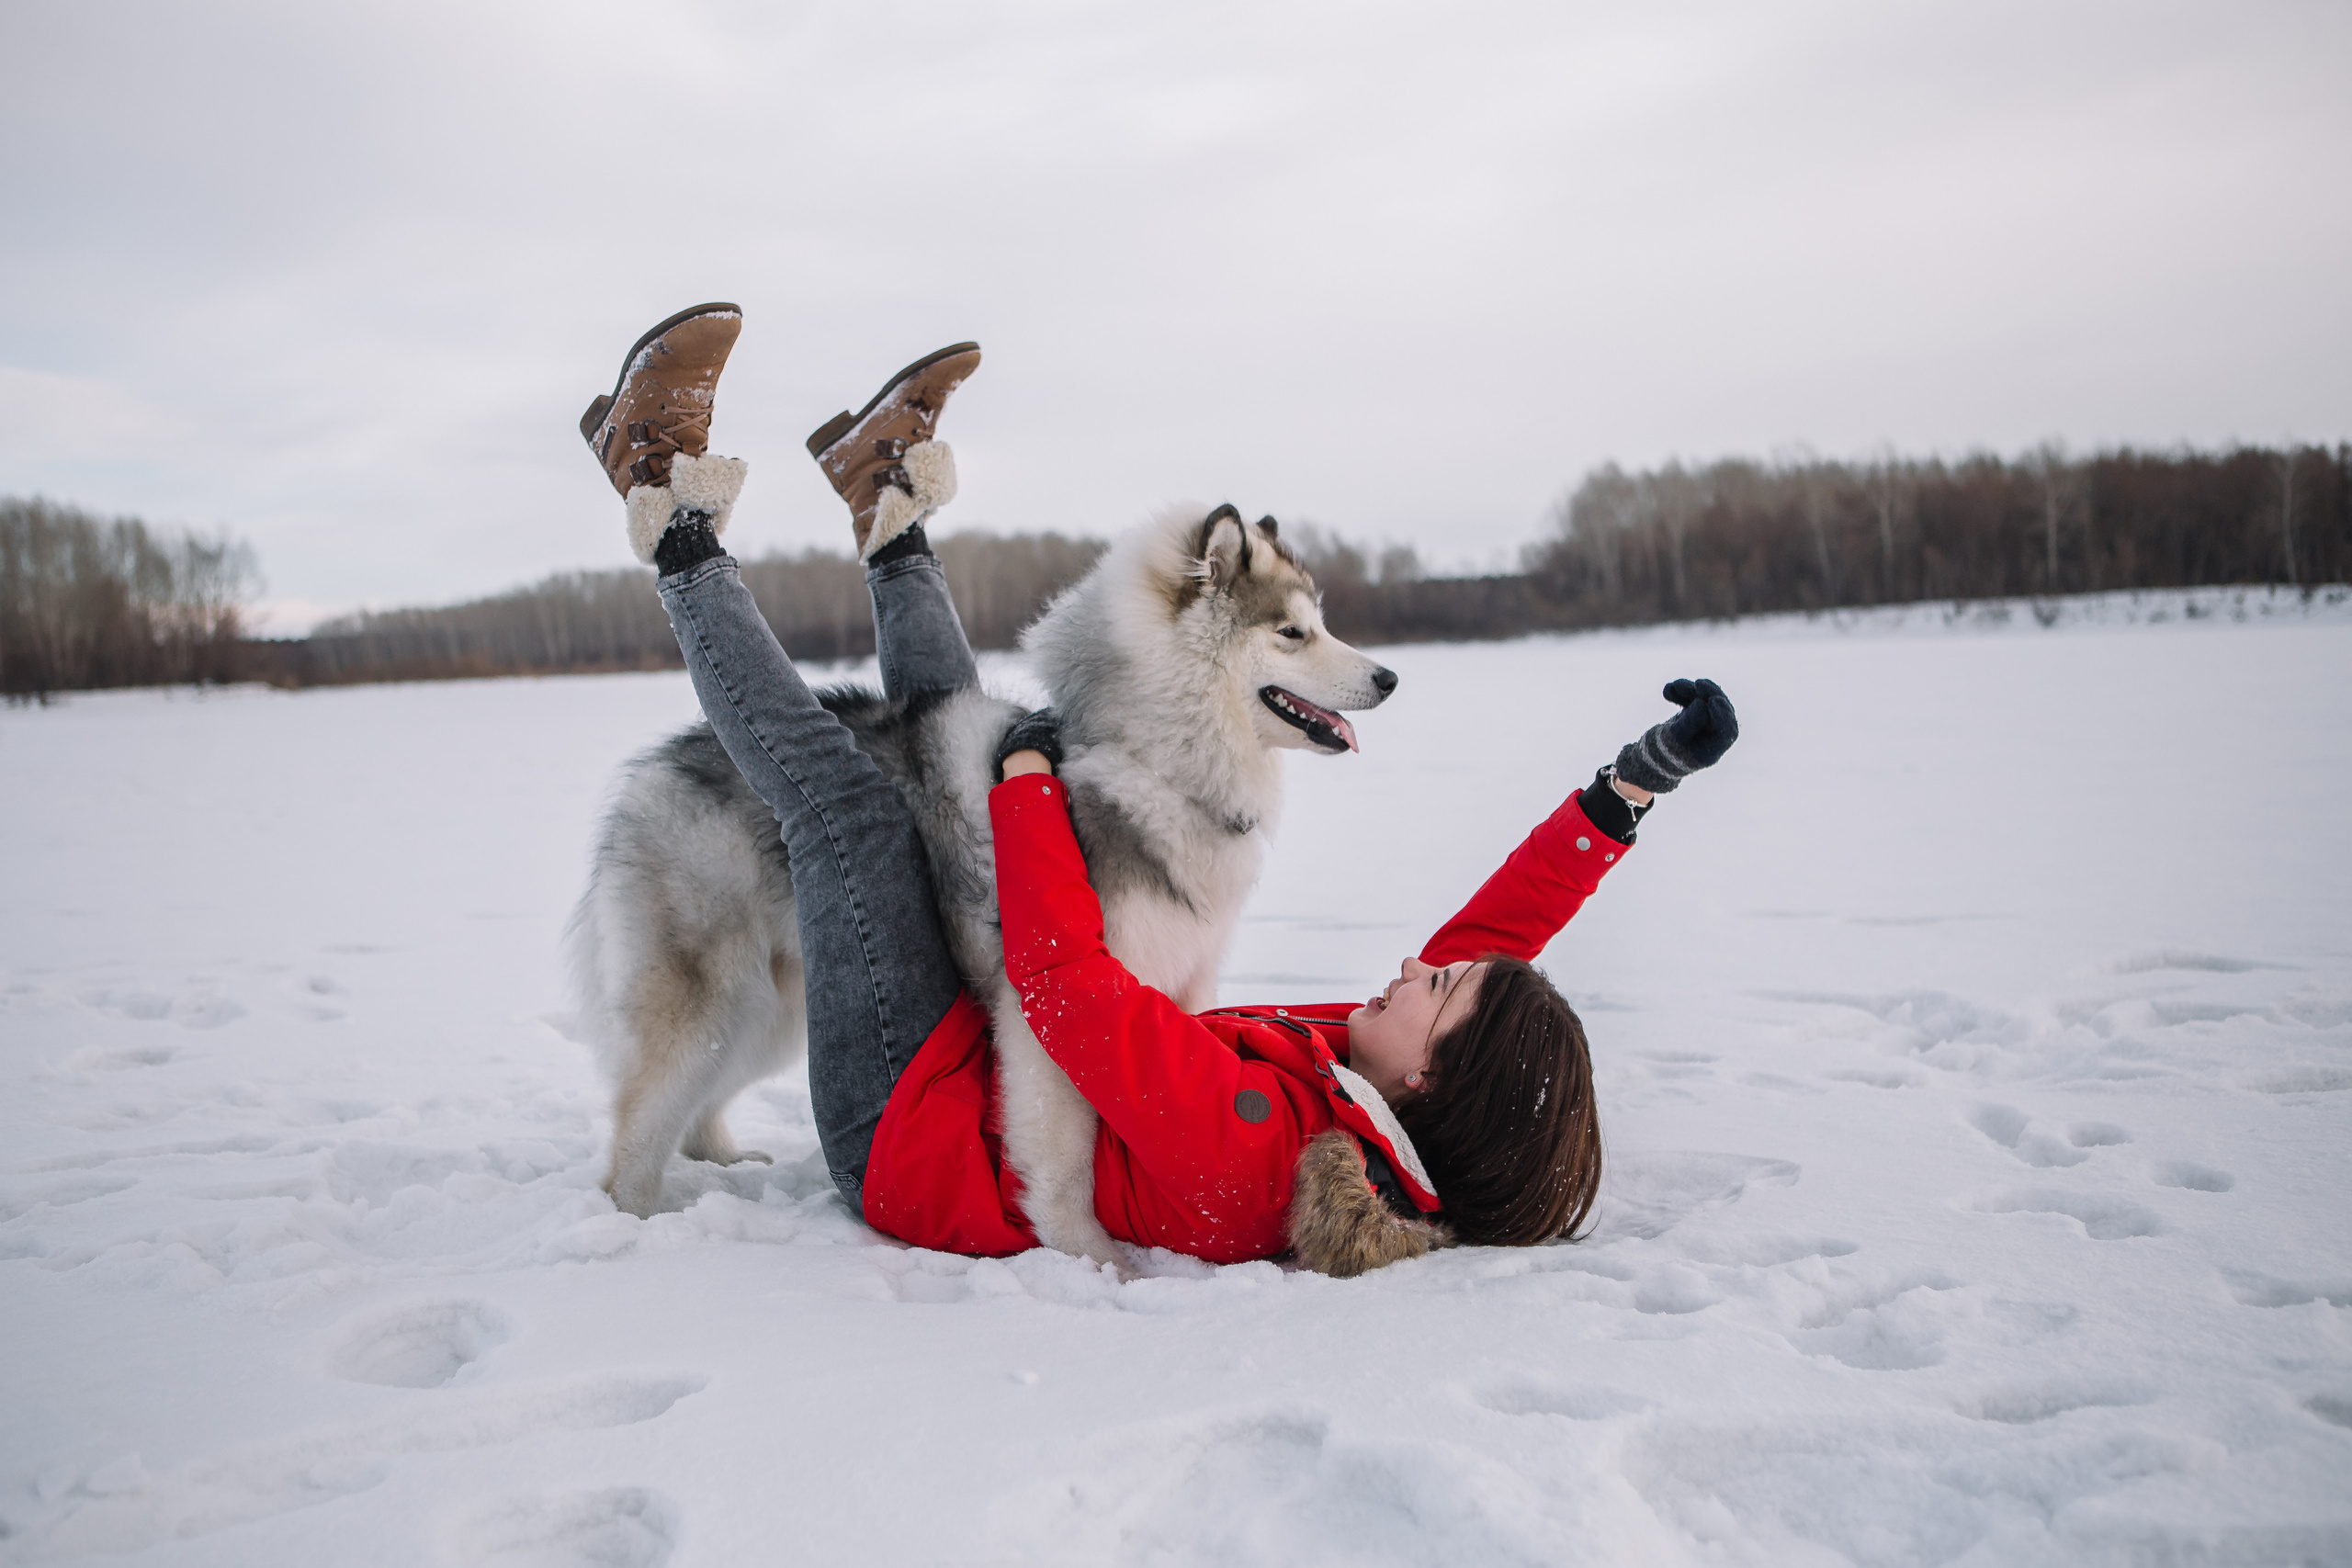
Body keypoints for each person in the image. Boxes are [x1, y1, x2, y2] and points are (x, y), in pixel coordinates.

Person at [578, 304, 1738, 1275]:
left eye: (1431, 988)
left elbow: (1069, 991)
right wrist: (1629, 792)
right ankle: (886, 504)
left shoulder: (1266, 1145)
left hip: (908, 1138)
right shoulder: (1373, 1086)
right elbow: (1489, 951)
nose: (1410, 967)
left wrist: (1028, 787)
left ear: (1433, 1072)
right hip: (967, 1061)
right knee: (947, 738)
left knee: (854, 813)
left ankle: (667, 505)